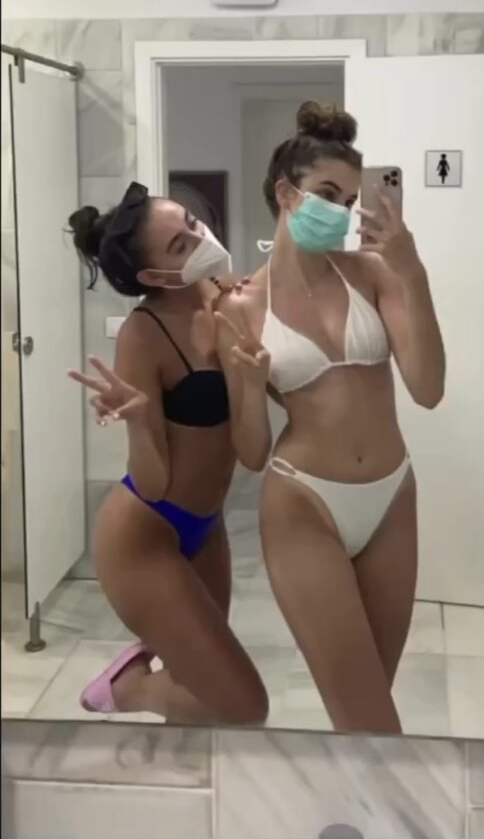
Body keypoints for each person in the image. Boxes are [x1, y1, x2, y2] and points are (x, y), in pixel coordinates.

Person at [215, 102, 445, 733]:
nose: (341, 212)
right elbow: (251, 452)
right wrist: (249, 386)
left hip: (392, 496)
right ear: (286, 194)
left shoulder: (373, 274)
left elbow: (428, 389)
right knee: (368, 719)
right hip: (304, 503)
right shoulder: (239, 308)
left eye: (348, 200)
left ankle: (347, 794)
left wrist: (414, 273)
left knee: (367, 713)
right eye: (326, 194)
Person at [67, 181, 268, 724]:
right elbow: (152, 482)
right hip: (142, 536)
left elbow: (251, 451)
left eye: (192, 224)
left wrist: (253, 383)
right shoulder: (144, 333)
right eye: (181, 245)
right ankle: (130, 688)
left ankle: (178, 769)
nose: (201, 239)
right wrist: (138, 422)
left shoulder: (227, 295)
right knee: (243, 707)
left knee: (196, 690)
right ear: (154, 276)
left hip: (207, 527)